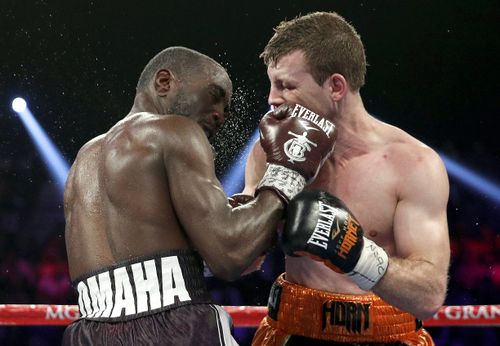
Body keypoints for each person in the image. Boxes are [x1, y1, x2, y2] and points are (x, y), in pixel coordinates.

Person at [62, 46, 336, 345]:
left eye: (228, 108)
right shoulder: (175, 129)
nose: (220, 114)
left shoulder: (85, 158)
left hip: (87, 331)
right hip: (174, 330)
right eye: (214, 95)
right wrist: (287, 171)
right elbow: (230, 256)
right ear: (164, 82)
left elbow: (138, 272)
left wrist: (228, 233)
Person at [243, 12, 451, 345]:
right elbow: (244, 262)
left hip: (389, 336)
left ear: (336, 87)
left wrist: (355, 253)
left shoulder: (412, 164)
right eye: (272, 83)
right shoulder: (268, 153)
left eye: (286, 85)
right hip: (292, 332)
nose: (273, 98)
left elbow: (428, 297)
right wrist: (267, 195)